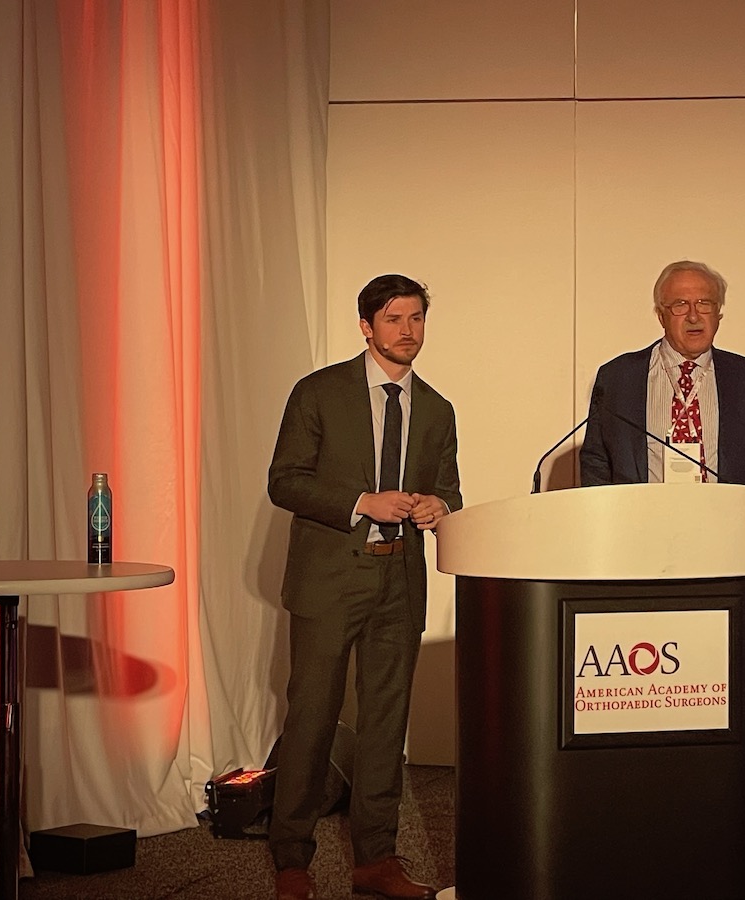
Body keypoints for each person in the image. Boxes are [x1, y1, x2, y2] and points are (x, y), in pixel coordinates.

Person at [267, 273, 462, 900]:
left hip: (400, 580)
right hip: (329, 581)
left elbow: (450, 490)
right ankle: (291, 857)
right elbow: (285, 481)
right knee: (312, 717)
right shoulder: (319, 392)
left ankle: (375, 859)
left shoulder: (436, 408)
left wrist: (438, 506)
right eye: (394, 319)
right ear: (366, 327)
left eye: (416, 318)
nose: (408, 331)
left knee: (386, 724)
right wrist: (361, 501)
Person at [580, 259, 745, 488]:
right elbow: (596, 463)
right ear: (661, 316)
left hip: (723, 509)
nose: (693, 316)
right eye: (680, 305)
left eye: (704, 304)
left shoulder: (744, 377)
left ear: (718, 315)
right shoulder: (619, 377)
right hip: (642, 509)